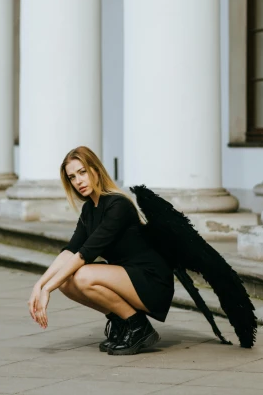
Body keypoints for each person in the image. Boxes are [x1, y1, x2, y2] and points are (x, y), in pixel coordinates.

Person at [27, 146, 174, 356]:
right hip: (125, 276)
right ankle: (122, 321)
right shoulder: (89, 210)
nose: (78, 181)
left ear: (96, 170)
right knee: (66, 282)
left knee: (82, 275)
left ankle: (138, 327)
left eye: (82, 172)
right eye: (72, 177)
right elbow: (70, 251)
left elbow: (85, 254)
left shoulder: (118, 205)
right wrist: (39, 285)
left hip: (151, 280)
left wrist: (47, 290)